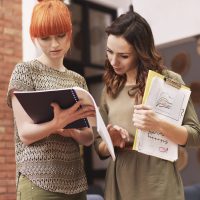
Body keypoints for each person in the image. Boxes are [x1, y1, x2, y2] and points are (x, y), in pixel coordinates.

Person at [94, 6, 200, 200]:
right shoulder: (109, 89)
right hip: (120, 183)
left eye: (123, 56)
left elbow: (195, 135)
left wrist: (158, 124)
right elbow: (99, 145)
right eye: (109, 52)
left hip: (158, 182)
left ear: (141, 52)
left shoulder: (169, 81)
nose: (113, 61)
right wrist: (111, 140)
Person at [7, 0, 95, 199]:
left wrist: (73, 131)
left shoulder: (77, 79)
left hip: (76, 183)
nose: (54, 44)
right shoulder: (25, 71)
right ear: (34, 38)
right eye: (45, 38)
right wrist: (56, 123)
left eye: (60, 36)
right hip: (38, 182)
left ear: (69, 34)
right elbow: (25, 134)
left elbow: (88, 137)